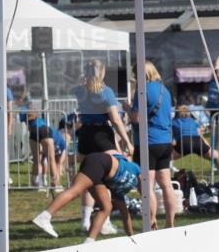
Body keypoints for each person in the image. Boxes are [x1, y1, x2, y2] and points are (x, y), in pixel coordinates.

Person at [73, 59, 134, 235]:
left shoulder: (80, 90)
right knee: (109, 177)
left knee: (87, 178)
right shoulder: (106, 91)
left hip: (84, 135)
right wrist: (127, 141)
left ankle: (85, 220)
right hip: (101, 135)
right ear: (103, 72)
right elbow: (115, 119)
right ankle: (105, 221)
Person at [32, 150, 140, 242]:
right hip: (99, 163)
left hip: (100, 169)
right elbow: (116, 156)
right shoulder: (136, 169)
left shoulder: (120, 191)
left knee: (106, 207)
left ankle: (89, 242)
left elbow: (125, 215)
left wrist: (131, 238)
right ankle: (44, 217)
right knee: (75, 191)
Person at [128, 60, 178, 229]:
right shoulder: (166, 90)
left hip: (148, 141)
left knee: (146, 185)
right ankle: (170, 223)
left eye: (135, 75)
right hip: (165, 141)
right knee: (166, 184)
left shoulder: (142, 91)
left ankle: (151, 221)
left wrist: (127, 108)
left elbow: (136, 118)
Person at [172, 105, 219, 183]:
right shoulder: (193, 121)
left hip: (184, 142)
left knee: (165, 159)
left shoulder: (173, 122)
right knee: (217, 156)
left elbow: (171, 139)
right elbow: (200, 135)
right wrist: (208, 147)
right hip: (197, 141)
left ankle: (165, 181)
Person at [25, 109, 58, 189]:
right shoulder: (42, 120)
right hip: (45, 130)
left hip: (34, 131)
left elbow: (29, 129)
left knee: (36, 161)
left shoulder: (29, 123)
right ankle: (55, 183)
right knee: (52, 160)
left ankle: (36, 183)